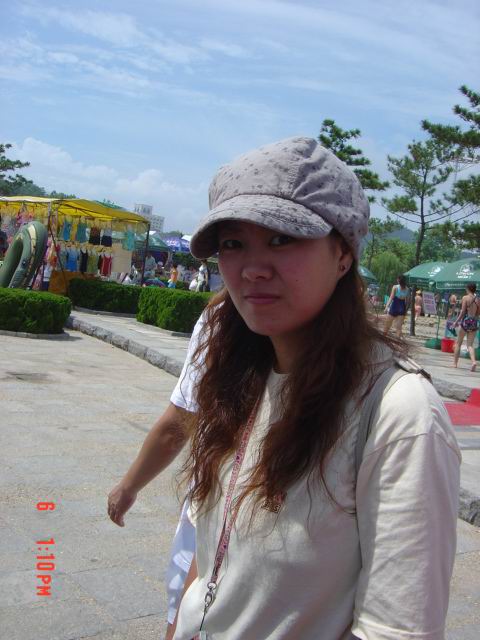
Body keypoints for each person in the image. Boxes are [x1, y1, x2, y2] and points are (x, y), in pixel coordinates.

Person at [169, 137, 460, 640]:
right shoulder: (239, 377)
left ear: (343, 253)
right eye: (233, 244)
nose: (253, 267)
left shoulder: (398, 412)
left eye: (282, 238)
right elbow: (212, 558)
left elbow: (398, 629)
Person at [453, 283, 479, 372]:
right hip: (474, 322)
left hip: (465, 322)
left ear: (468, 289)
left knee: (458, 343)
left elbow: (463, 311)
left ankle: (455, 363)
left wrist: (456, 322)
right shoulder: (478, 299)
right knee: (470, 345)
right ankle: (473, 362)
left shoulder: (465, 298)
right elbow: (478, 313)